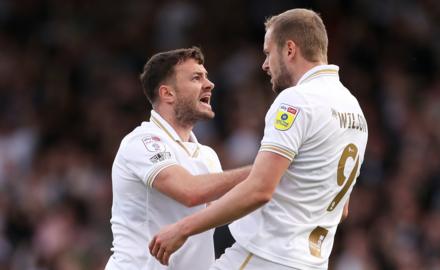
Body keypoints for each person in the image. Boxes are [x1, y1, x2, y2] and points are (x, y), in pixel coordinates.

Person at [149, 8, 369, 270]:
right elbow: (341, 210)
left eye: (267, 53)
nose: (265, 64)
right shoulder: (354, 110)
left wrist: (184, 228)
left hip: (265, 257)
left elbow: (260, 189)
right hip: (311, 263)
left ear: (289, 49)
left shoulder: (296, 101)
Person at [105, 47, 250, 270]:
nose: (209, 84)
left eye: (207, 76)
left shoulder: (207, 155)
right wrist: (263, 170)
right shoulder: (141, 141)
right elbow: (190, 192)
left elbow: (221, 212)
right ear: (167, 94)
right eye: (196, 77)